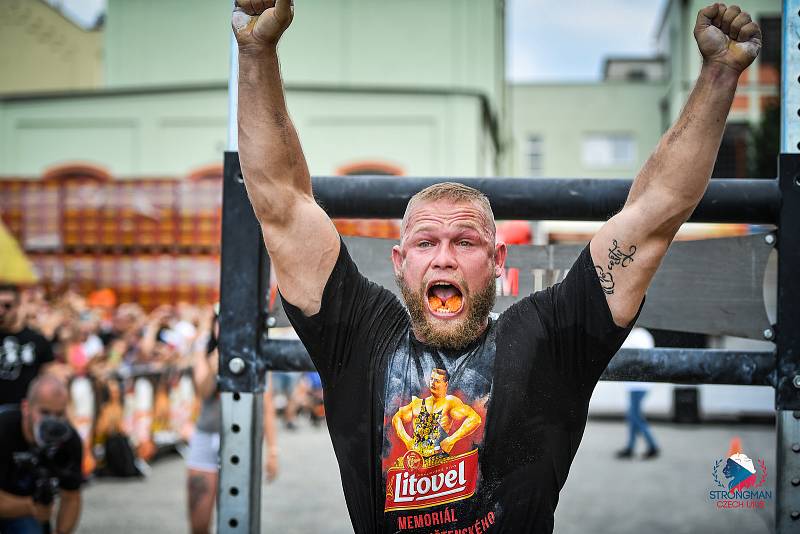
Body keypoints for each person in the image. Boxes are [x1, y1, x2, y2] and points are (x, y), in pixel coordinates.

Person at [231, 1, 761, 531]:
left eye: (465, 241)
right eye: (425, 243)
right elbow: (281, 204)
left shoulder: (547, 341)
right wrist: (257, 50)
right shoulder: (360, 338)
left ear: (497, 259)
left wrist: (718, 75)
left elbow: (654, 212)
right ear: (399, 262)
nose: (443, 257)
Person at [186, 308, 278, 534]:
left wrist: (273, 450)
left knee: (236, 518)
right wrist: (217, 359)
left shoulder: (255, 355)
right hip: (206, 438)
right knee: (199, 522)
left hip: (241, 441)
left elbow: (267, 406)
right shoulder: (204, 353)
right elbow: (203, 391)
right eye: (220, 323)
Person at [0, 375, 83, 534]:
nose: (52, 421)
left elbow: (71, 497)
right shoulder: (3, 430)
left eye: (59, 414)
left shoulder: (68, 439)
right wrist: (30, 506)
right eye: (45, 412)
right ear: (26, 408)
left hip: (23, 514)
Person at [0, 284, 55, 406]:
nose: (1, 311)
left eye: (7, 306)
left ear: (18, 306)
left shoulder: (38, 340)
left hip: (24, 413)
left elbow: (48, 377)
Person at [615, 328, 660, 459]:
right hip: (637, 383)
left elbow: (630, 354)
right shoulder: (642, 334)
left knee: (635, 416)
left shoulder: (637, 335)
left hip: (638, 384)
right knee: (633, 416)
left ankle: (652, 446)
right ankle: (630, 447)